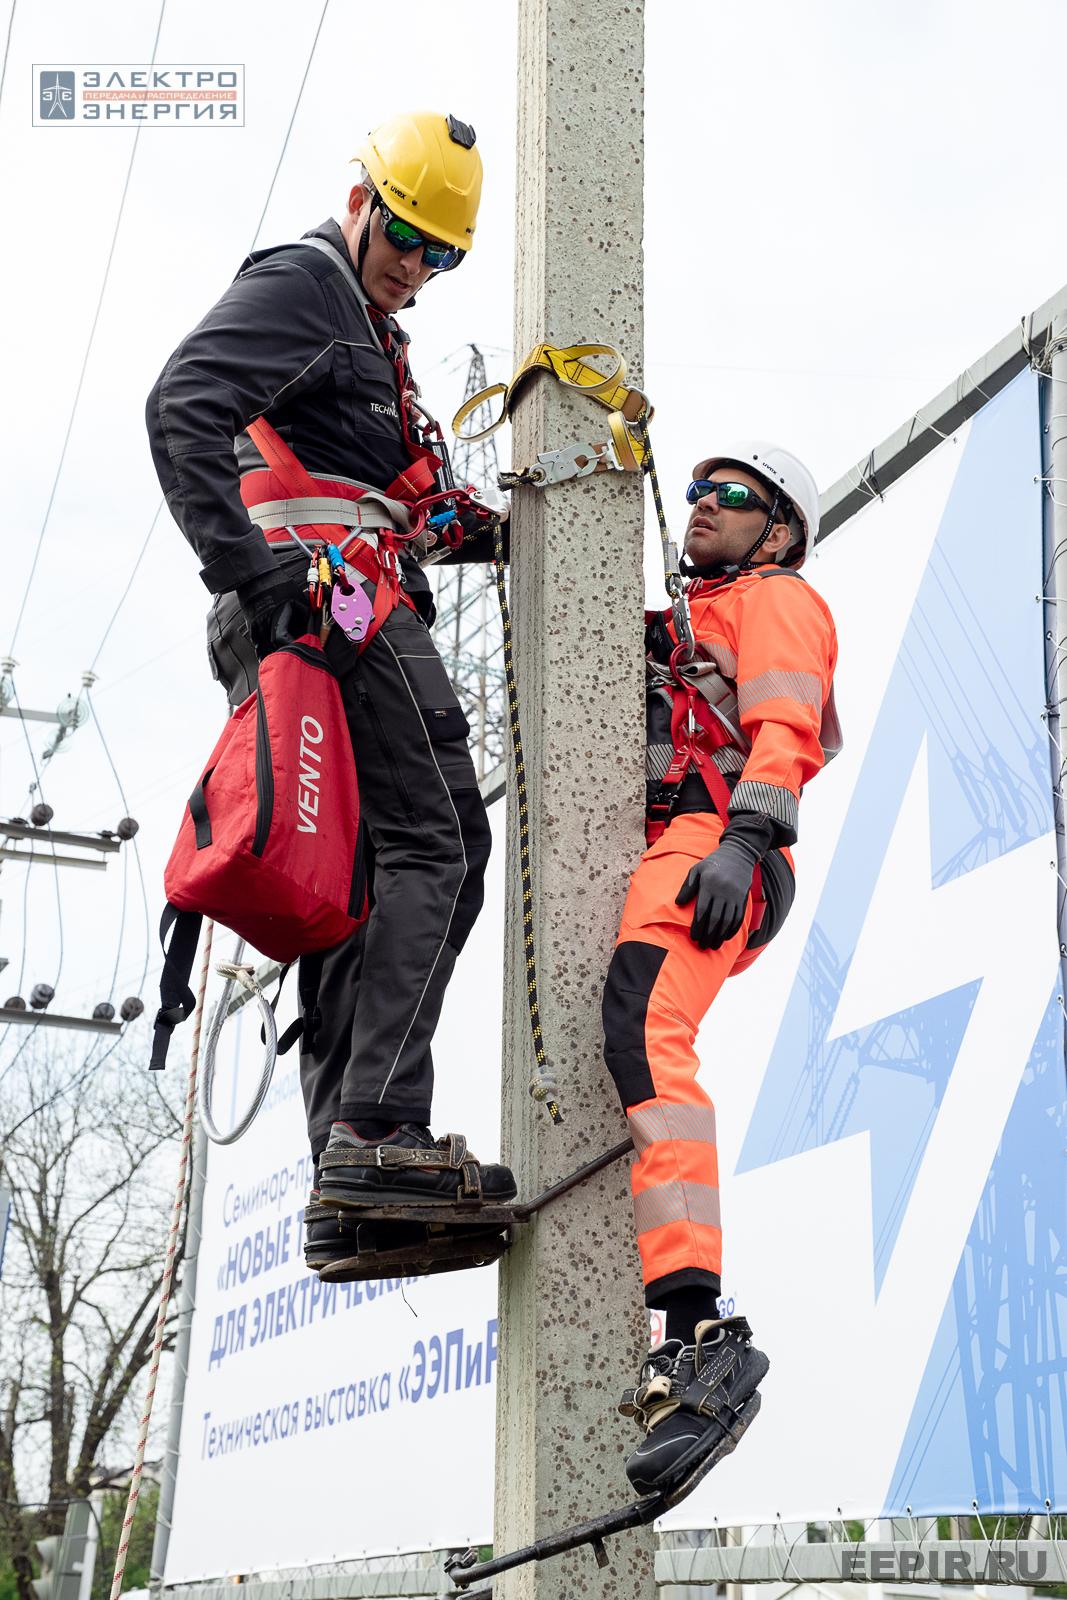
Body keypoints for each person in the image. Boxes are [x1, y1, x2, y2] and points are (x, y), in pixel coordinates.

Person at [146, 111, 516, 1269]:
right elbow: (180, 406)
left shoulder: (369, 331)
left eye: (438, 253)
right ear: (360, 197)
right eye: (403, 233)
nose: (413, 265)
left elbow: (394, 492)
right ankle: (379, 1129)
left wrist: (536, 525)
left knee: (356, 884)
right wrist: (252, 579)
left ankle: (348, 1182)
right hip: (329, 609)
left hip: (328, 605)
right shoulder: (308, 285)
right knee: (443, 839)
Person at [601, 442, 842, 1497]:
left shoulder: (775, 595)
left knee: (646, 1028)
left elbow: (783, 727)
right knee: (630, 1034)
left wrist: (746, 838)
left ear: (776, 528)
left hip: (717, 838)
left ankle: (697, 1330)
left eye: (731, 495)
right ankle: (685, 1334)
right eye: (695, 491)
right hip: (683, 841)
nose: (702, 504)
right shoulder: (689, 621)